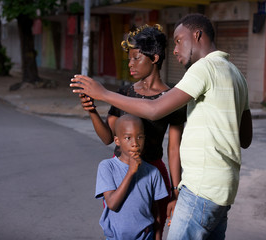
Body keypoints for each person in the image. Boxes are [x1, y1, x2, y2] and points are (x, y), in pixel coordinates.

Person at [71, 13, 253, 240]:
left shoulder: (200, 71)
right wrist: (93, 110)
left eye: (178, 41)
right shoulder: (236, 74)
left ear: (197, 35)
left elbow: (159, 119)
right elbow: (245, 139)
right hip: (223, 188)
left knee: (155, 230)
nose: (175, 49)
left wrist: (103, 93)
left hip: (190, 185)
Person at [77, 24, 186, 235]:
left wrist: (175, 191)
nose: (130, 64)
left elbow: (174, 149)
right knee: (120, 230)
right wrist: (91, 111)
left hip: (153, 175)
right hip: (120, 174)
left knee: (153, 229)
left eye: (136, 58)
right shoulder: (124, 93)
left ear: (154, 58)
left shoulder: (172, 99)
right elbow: (109, 138)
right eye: (129, 58)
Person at [95, 114, 168, 240]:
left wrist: (157, 237)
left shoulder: (153, 172)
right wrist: (131, 172)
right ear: (117, 141)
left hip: (145, 236)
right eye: (128, 138)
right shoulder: (107, 167)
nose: (135, 143)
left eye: (140, 137)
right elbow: (112, 204)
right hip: (116, 237)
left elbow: (155, 211)